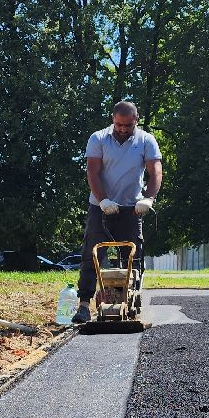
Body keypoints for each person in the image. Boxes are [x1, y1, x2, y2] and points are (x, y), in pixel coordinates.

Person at [73, 100, 162, 324]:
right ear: (113, 119)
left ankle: (130, 300)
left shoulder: (146, 140)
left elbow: (156, 171)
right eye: (119, 125)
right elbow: (92, 172)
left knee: (133, 256)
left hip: (132, 209)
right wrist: (103, 200)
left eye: (127, 126)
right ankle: (84, 304)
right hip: (101, 208)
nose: (122, 129)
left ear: (136, 121)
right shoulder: (98, 138)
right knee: (92, 255)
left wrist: (148, 199)